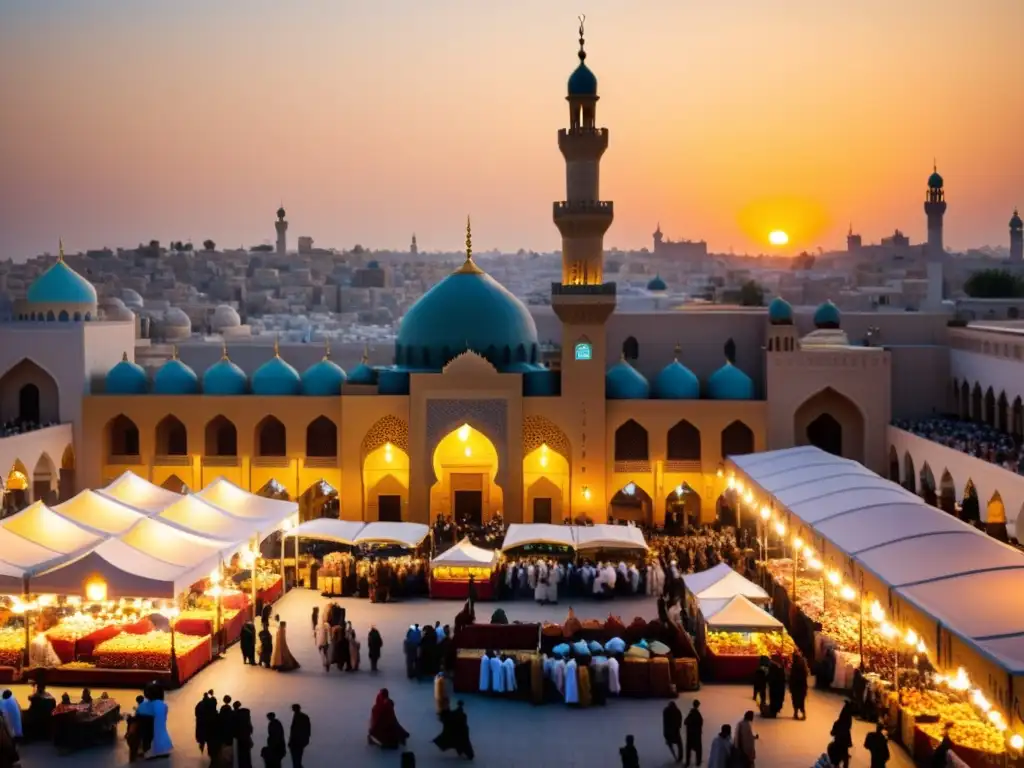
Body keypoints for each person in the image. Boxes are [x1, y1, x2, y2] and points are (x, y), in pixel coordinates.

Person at [138, 684, 173, 759]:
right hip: (160, 738)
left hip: (147, 735)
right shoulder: (162, 705)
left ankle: (147, 749)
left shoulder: (142, 706)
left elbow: (138, 714)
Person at [830, 702, 854, 768]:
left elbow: (832, 733)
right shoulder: (847, 723)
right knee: (845, 757)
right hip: (844, 743)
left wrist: (833, 732)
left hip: (838, 743)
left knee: (837, 758)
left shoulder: (838, 723)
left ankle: (837, 766)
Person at [288, 704, 311, 768]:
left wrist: (305, 740)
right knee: (296, 761)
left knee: (297, 760)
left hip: (298, 742)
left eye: (293, 708)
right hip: (295, 742)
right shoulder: (298, 716)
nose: (293, 710)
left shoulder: (303, 717)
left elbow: (307, 730)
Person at [233, 701, 254, 768]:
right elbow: (250, 728)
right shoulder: (245, 714)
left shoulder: (235, 714)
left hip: (240, 738)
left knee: (241, 756)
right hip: (246, 737)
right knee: (247, 755)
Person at [217, 695, 236, 767]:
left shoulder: (222, 711)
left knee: (223, 752)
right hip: (229, 734)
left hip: (222, 734)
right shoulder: (231, 712)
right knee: (229, 752)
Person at [789, 652, 809, 720]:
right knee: (801, 701)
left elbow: (792, 677)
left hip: (796, 687)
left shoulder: (795, 665)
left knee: (795, 700)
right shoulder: (803, 665)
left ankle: (796, 714)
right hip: (802, 687)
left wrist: (791, 686)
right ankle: (802, 714)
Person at [126, 694, 145, 762]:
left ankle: (138, 752)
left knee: (136, 739)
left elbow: (139, 717)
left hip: (141, 726)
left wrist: (131, 718)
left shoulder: (141, 708)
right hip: (143, 725)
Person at [684, 699, 703, 767]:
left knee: (688, 749)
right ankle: (698, 761)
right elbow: (700, 723)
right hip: (696, 735)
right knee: (698, 749)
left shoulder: (691, 714)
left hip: (690, 735)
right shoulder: (698, 715)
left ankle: (687, 762)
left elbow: (685, 722)